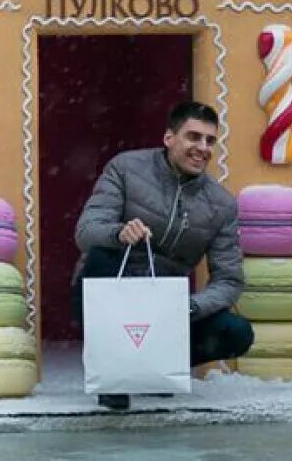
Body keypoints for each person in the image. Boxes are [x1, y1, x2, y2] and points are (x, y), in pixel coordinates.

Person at [73, 100, 250, 411]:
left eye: (210, 140)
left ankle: (154, 364)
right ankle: (116, 371)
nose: (203, 148)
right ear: (170, 138)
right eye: (193, 137)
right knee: (100, 254)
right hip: (112, 295)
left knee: (237, 333)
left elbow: (229, 279)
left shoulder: (221, 204)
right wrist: (119, 233)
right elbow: (86, 231)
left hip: (166, 309)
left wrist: (189, 306)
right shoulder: (126, 169)